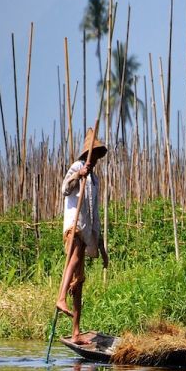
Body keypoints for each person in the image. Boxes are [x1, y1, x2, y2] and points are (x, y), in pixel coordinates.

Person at [56, 128, 109, 345]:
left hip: (86, 230)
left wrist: (102, 249)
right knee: (75, 256)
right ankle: (60, 298)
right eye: (93, 154)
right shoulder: (77, 167)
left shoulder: (94, 180)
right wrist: (79, 175)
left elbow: (95, 216)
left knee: (79, 284)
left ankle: (76, 332)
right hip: (73, 225)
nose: (95, 158)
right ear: (87, 153)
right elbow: (64, 189)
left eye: (97, 154)